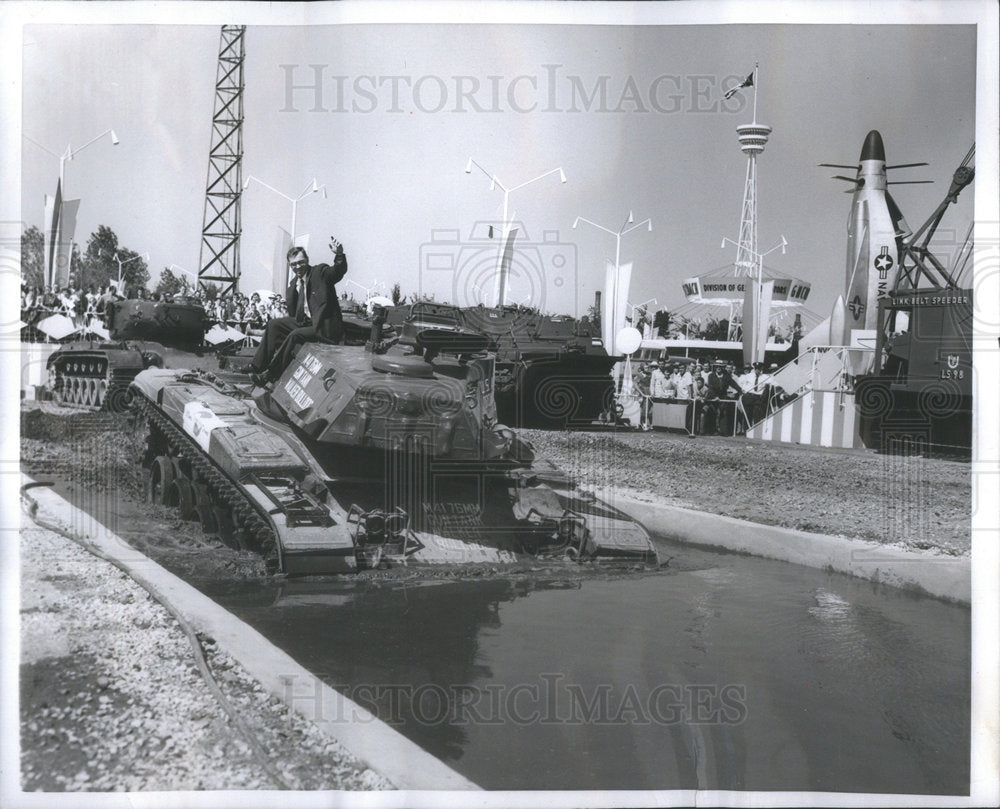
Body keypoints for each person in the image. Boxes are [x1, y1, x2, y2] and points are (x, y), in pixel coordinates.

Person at [250, 238, 348, 387]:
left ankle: (270, 375)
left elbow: (337, 272)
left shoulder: (320, 272)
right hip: (306, 322)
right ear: (290, 266)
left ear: (307, 260)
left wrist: (339, 255)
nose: (298, 266)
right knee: (274, 324)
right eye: (294, 264)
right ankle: (256, 366)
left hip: (323, 327)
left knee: (295, 335)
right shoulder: (294, 284)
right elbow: (294, 312)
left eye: (301, 262)